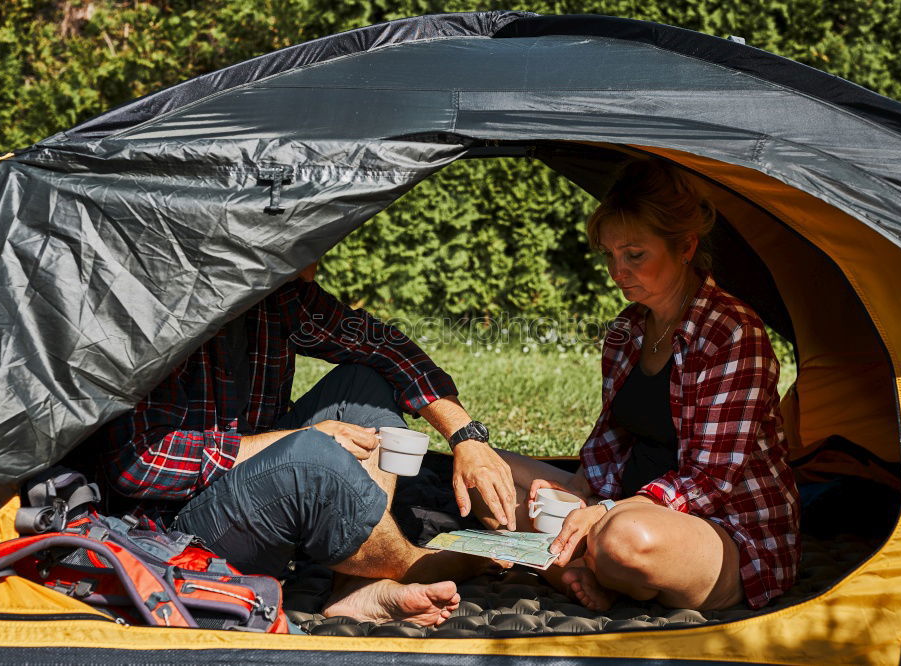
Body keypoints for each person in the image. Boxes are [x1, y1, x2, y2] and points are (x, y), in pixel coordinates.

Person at [87, 261, 518, 627]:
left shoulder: (282, 294)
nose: (314, 269)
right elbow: (139, 463)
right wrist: (294, 439)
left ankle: (358, 584)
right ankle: (417, 563)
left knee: (363, 383)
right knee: (309, 458)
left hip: (251, 482)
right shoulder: (158, 308)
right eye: (304, 248)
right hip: (174, 529)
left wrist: (465, 437)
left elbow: (384, 348)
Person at [472, 159, 800, 612]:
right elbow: (612, 439)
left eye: (634, 254)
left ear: (685, 246)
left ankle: (575, 564)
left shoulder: (732, 332)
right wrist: (581, 491)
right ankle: (580, 571)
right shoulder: (628, 329)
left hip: (720, 529)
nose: (617, 271)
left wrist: (604, 513)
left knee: (623, 540)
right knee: (485, 472)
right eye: (609, 255)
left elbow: (710, 480)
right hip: (625, 500)